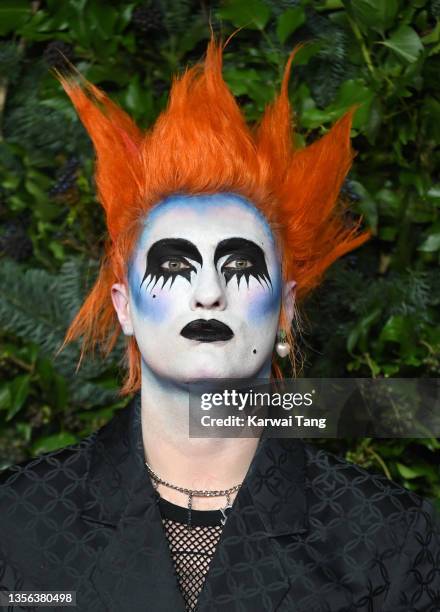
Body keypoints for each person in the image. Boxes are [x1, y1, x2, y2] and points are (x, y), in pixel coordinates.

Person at [0, 39, 439, 612]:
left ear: (286, 309)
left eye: (239, 265)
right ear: (124, 306)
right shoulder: (18, 524)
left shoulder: (389, 541)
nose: (209, 292)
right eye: (175, 266)